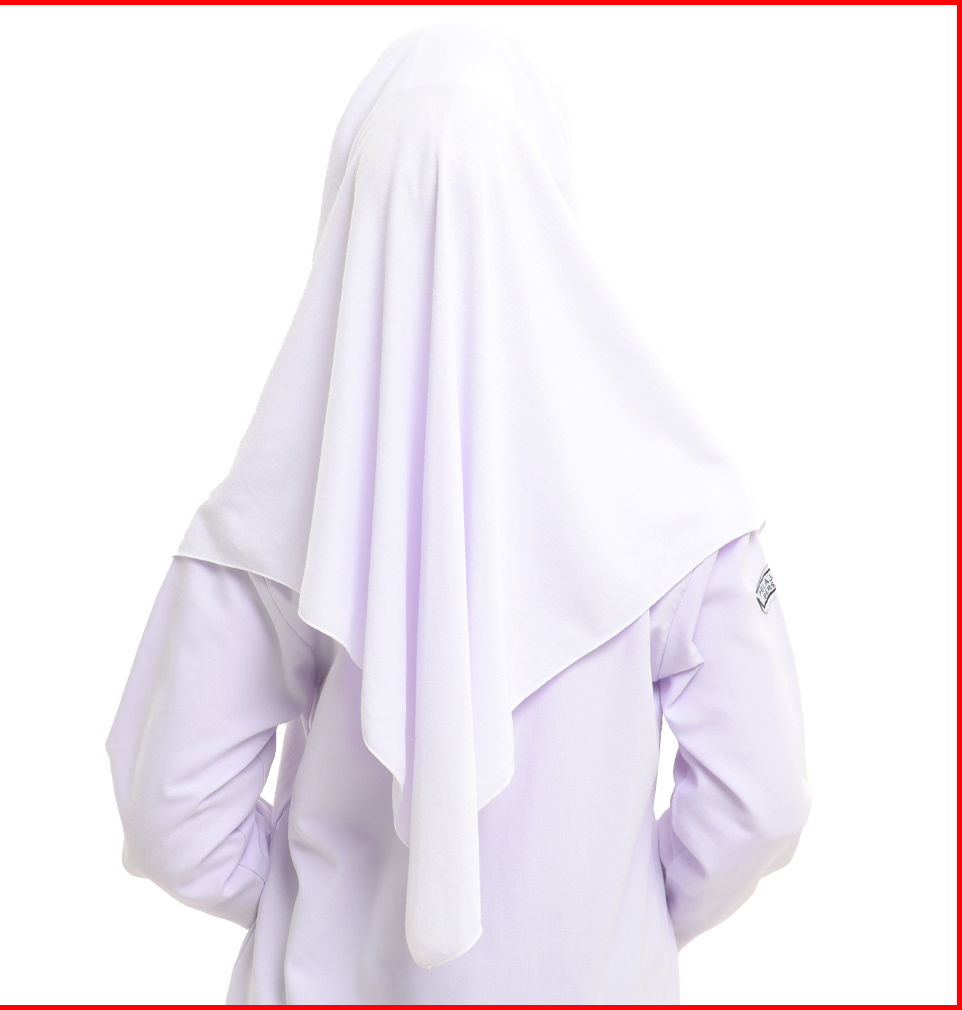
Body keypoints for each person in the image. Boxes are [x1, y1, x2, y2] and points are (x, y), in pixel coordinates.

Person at [107, 23, 810, 1005]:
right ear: (547, 208)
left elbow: (170, 813)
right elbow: (762, 798)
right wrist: (621, 922)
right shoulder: (681, 500)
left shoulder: (273, 502)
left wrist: (318, 914)